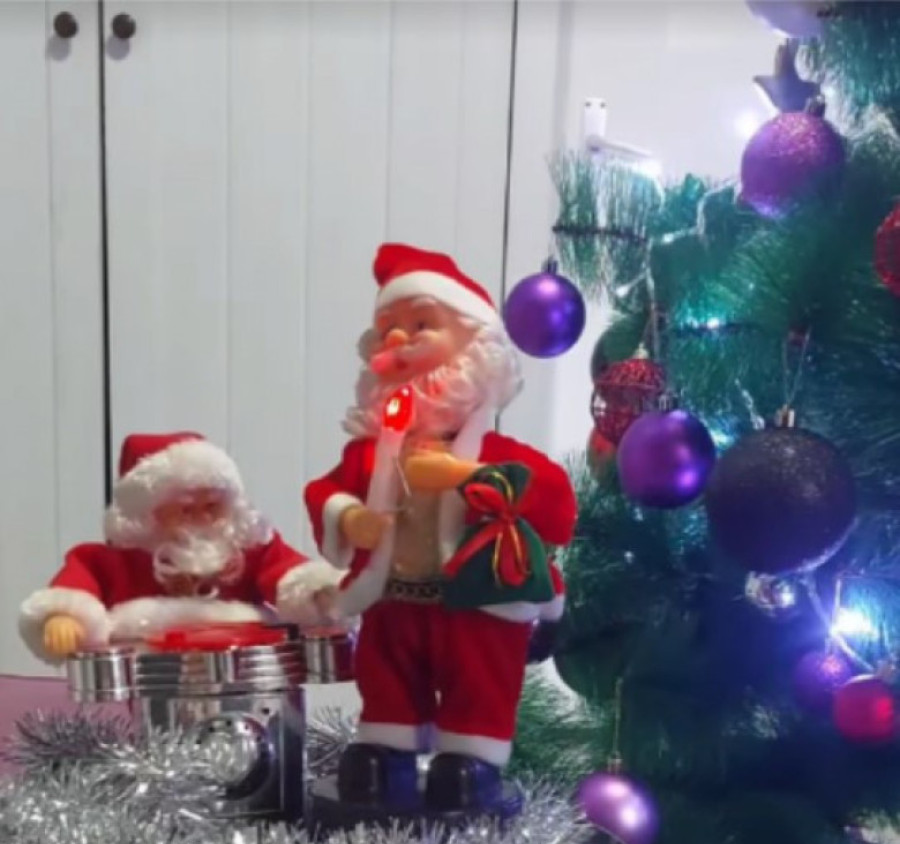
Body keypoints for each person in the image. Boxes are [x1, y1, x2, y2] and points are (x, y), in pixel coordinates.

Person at [306, 243, 577, 812]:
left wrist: (465, 476)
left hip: (473, 604)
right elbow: (324, 491)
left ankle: (471, 760)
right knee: (386, 673)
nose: (398, 340)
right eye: (388, 330)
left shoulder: (499, 453)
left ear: (475, 352)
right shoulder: (370, 454)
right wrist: (347, 516)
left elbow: (555, 503)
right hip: (394, 599)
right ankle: (386, 748)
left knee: (479, 678)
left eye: (420, 324)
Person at [21, 431, 340, 662]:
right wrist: (64, 617)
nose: (203, 518)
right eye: (186, 509)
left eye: (213, 506)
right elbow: (77, 586)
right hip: (153, 678)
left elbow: (290, 575)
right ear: (149, 514)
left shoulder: (251, 549)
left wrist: (319, 594)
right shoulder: (112, 559)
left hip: (246, 673)